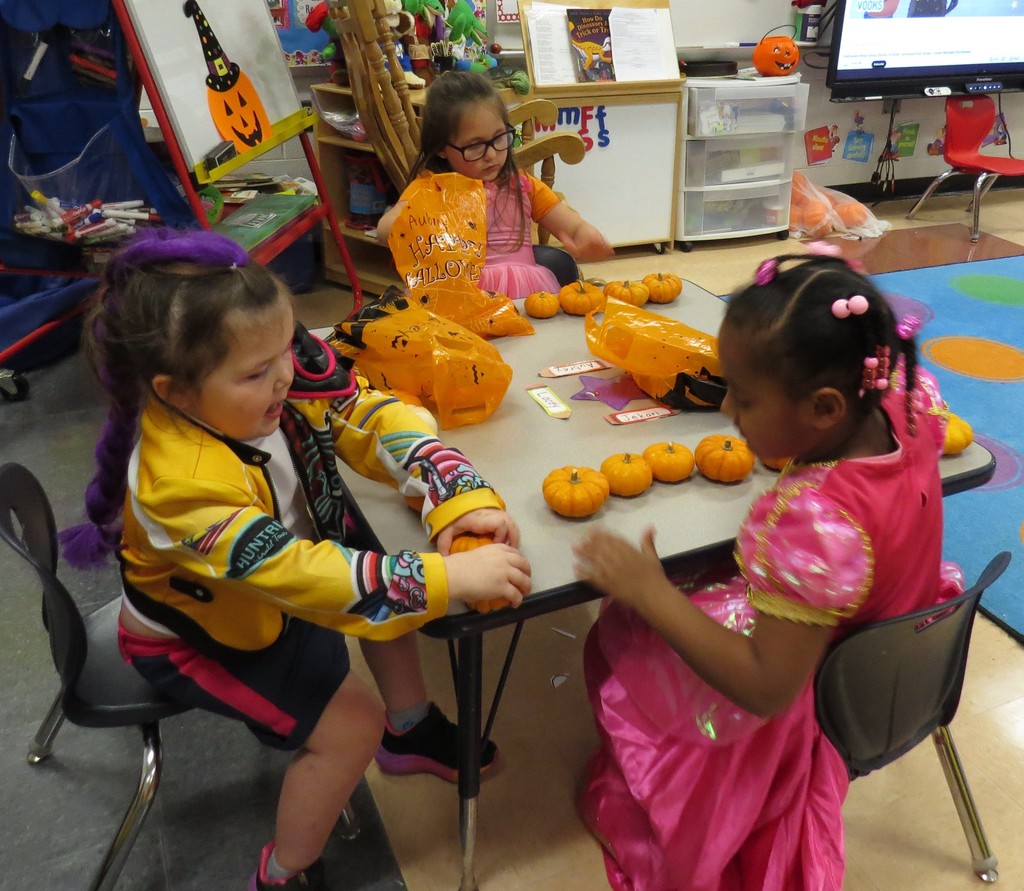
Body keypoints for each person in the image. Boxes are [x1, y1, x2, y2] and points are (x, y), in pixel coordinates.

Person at [60, 228, 532, 891]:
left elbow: (360, 415)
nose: (286, 372)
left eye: (287, 348)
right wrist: (445, 576)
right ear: (176, 391)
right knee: (347, 729)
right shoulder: (180, 485)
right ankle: (285, 871)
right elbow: (295, 574)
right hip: (198, 638)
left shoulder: (268, 371)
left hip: (261, 598)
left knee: (377, 571)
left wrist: (454, 490)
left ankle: (410, 728)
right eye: (258, 371)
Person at [571, 251, 963, 890]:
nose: (728, 412)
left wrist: (649, 593)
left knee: (628, 634)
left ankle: (668, 806)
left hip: (818, 694)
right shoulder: (904, 400)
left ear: (826, 409)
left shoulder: (812, 525)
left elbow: (765, 687)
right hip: (903, 645)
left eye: (746, 399)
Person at [376, 70, 613, 300]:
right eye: (475, 146)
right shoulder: (431, 188)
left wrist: (585, 235)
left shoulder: (523, 186)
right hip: (462, 298)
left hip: (524, 294)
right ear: (441, 148)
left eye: (500, 137)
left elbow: (570, 225)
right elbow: (384, 231)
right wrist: (427, 214)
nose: (491, 155)